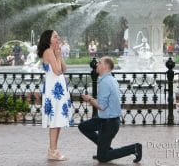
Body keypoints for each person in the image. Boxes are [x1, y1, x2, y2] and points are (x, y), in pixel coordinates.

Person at [78, 56, 142, 163]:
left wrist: (89, 99)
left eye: (99, 63)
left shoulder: (105, 82)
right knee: (83, 126)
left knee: (102, 157)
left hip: (109, 123)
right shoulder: (110, 79)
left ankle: (134, 148)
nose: (97, 64)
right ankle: (105, 149)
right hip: (105, 119)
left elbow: (101, 106)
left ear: (106, 66)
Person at [37, 29, 72, 161]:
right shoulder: (48, 52)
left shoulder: (54, 52)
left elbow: (64, 69)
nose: (58, 38)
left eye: (58, 36)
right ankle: (52, 150)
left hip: (58, 89)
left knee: (58, 121)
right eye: (55, 37)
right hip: (54, 91)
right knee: (54, 121)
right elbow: (57, 71)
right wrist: (57, 56)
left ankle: (54, 150)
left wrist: (59, 55)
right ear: (49, 39)